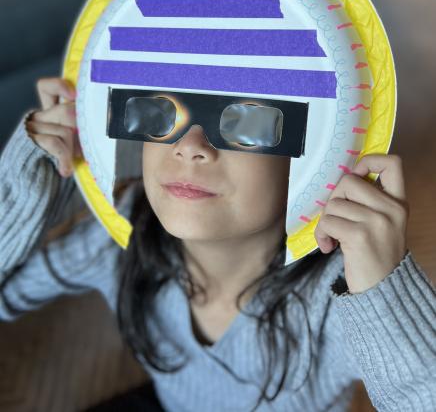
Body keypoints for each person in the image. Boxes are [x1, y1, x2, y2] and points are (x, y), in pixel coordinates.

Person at [1, 76, 435, 412]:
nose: (190, 147)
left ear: (317, 151)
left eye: (244, 119)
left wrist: (385, 292)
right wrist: (30, 187)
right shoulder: (121, 232)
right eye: (164, 111)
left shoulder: (338, 294)